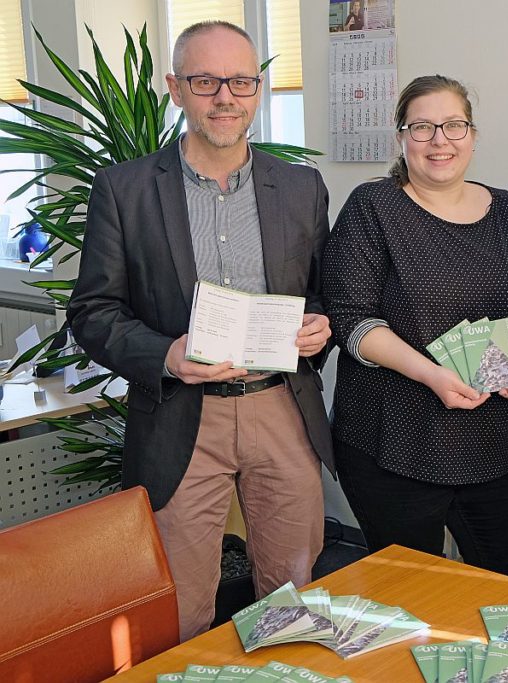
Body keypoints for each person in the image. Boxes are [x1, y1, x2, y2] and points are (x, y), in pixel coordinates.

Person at [67, 21, 334, 641]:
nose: (225, 96)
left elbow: (322, 294)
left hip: (280, 410)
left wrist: (320, 327)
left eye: (240, 81)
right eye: (206, 80)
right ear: (176, 88)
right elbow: (92, 312)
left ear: (258, 89)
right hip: (181, 416)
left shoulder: (300, 187)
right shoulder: (125, 190)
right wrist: (166, 354)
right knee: (182, 606)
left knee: (294, 598)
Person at [323, 75, 508, 580]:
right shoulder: (372, 207)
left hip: (492, 447)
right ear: (401, 138)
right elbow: (352, 321)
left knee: (507, 591)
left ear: (473, 134)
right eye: (422, 128)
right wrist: (432, 374)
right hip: (394, 446)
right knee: (413, 598)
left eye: (453, 125)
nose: (439, 140)